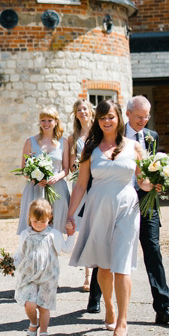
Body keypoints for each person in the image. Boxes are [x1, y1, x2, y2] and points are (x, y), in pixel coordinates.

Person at [66, 99, 155, 336]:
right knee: (104, 266)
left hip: (127, 207)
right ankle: (109, 306)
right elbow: (81, 185)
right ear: (98, 120)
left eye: (111, 117)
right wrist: (70, 215)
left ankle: (122, 323)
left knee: (122, 265)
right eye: (102, 117)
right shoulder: (90, 148)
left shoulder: (135, 147)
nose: (107, 120)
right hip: (98, 207)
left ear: (119, 119)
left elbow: (144, 182)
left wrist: (156, 182)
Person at [125, 95, 169, 326]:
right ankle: (96, 297)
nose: (143, 120)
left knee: (153, 250)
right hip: (121, 199)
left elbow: (153, 167)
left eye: (146, 116)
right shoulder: (113, 135)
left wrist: (159, 181)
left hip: (147, 200)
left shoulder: (151, 137)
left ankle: (163, 306)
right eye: (138, 116)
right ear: (127, 114)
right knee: (110, 249)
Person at [14, 198, 75, 336]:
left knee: (44, 305)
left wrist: (71, 234)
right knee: (29, 303)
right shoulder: (26, 234)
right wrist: (12, 264)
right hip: (29, 276)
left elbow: (66, 249)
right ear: (30, 218)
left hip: (49, 276)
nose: (39, 225)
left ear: (49, 218)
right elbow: (20, 253)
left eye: (43, 221)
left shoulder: (54, 234)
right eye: (36, 221)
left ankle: (44, 331)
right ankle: (34, 322)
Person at [17, 106, 69, 236]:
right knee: (34, 224)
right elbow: (24, 169)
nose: (46, 123)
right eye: (43, 120)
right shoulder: (30, 141)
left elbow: (66, 169)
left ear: (56, 122)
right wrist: (34, 178)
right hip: (35, 188)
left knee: (56, 226)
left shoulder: (64, 142)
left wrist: (56, 177)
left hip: (57, 188)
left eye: (49, 120)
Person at [63, 99, 94, 292]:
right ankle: (87, 276)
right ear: (75, 114)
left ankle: (99, 271)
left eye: (85, 109)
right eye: (78, 110)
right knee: (83, 230)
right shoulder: (72, 138)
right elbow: (73, 166)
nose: (82, 112)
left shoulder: (100, 133)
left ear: (91, 111)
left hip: (98, 184)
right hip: (81, 185)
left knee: (95, 227)